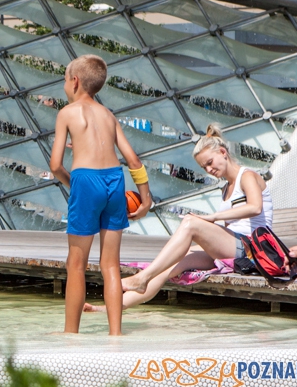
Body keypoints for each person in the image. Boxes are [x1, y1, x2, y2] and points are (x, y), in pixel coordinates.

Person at [115, 124, 273, 308]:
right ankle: (113, 307)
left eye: (209, 162)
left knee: (191, 222)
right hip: (235, 247)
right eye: (204, 167)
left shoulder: (247, 176)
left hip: (254, 249)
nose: (208, 169)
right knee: (169, 266)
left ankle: (141, 277)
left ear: (223, 152)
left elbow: (255, 207)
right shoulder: (226, 187)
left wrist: (213, 218)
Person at [49, 54, 152, 336]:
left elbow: (55, 165)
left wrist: (75, 185)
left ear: (75, 81)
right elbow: (133, 160)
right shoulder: (108, 115)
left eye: (64, 80)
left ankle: (70, 333)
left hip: (85, 180)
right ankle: (115, 334)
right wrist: (146, 199)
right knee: (110, 265)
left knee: (76, 264)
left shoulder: (67, 113)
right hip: (114, 181)